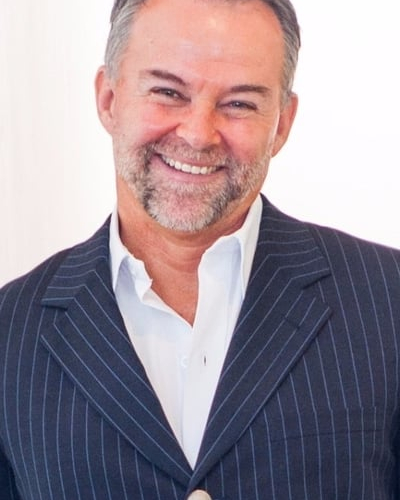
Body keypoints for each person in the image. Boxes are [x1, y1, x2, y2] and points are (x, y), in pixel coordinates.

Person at [1, 0, 400, 498]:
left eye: (239, 104)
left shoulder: (388, 300)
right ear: (109, 99)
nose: (197, 134)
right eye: (168, 92)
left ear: (281, 123)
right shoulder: (10, 330)